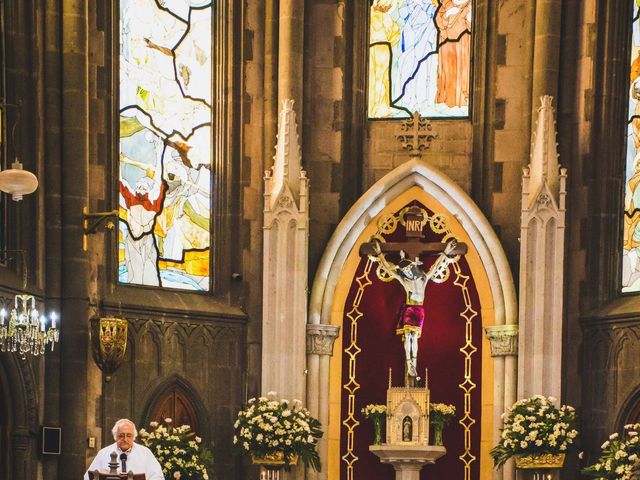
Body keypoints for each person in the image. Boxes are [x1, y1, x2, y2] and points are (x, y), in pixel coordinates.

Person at [372, 238, 458, 378]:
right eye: (405, 271)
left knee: (414, 338)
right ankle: (409, 363)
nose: (408, 273)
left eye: (409, 270)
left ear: (412, 268)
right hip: (409, 309)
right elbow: (391, 271)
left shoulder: (423, 279)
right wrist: (380, 254)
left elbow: (436, 266)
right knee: (408, 338)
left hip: (418, 311)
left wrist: (446, 251)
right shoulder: (405, 282)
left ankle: (414, 363)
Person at [84, 418, 164, 480]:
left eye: (129, 435)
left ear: (134, 436)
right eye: (121, 435)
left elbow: (157, 477)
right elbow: (87, 477)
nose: (125, 439)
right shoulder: (104, 453)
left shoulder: (145, 453)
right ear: (115, 436)